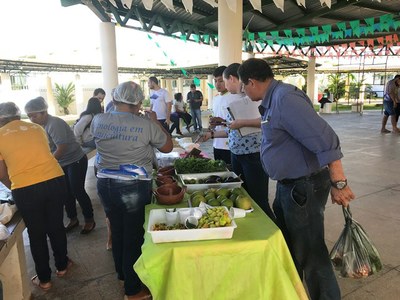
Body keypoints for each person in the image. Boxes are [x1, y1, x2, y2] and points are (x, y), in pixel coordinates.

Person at [238, 58, 355, 300]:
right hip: (289, 187)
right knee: (293, 248)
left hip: (305, 186)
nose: (242, 91)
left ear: (251, 82)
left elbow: (325, 139)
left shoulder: (285, 99)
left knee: (311, 252)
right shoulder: (274, 100)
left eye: (243, 86)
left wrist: (339, 183)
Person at [91, 81, 173, 299]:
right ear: (138, 102)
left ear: (115, 98)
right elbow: (167, 146)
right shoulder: (145, 124)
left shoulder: (98, 120)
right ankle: (133, 289)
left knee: (117, 231)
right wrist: (157, 123)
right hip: (133, 186)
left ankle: (122, 274)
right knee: (133, 237)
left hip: (105, 183)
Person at [0, 102, 72, 291]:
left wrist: (14, 187)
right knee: (56, 225)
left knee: (36, 233)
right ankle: (62, 266)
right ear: (18, 115)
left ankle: (45, 280)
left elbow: (1, 174)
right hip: (55, 180)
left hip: (26, 189)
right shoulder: (37, 128)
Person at [198, 63, 274, 220]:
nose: (224, 86)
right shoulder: (237, 100)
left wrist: (242, 123)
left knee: (258, 199)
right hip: (237, 153)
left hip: (253, 155)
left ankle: (274, 233)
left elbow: (269, 121)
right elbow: (233, 130)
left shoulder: (255, 97)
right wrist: (215, 132)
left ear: (232, 79)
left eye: (224, 81)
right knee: (241, 196)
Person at [25, 97, 96, 234]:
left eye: (34, 115)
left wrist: (47, 164)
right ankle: (73, 219)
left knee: (77, 190)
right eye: (29, 116)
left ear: (44, 112)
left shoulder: (54, 123)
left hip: (75, 160)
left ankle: (89, 219)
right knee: (65, 193)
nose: (32, 119)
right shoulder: (41, 126)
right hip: (62, 163)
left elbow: (61, 148)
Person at [209, 66, 233, 166]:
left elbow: (238, 123)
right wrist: (212, 124)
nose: (217, 84)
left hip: (229, 145)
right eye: (215, 81)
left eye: (221, 81)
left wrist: (222, 121)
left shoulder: (233, 98)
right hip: (217, 143)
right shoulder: (216, 98)